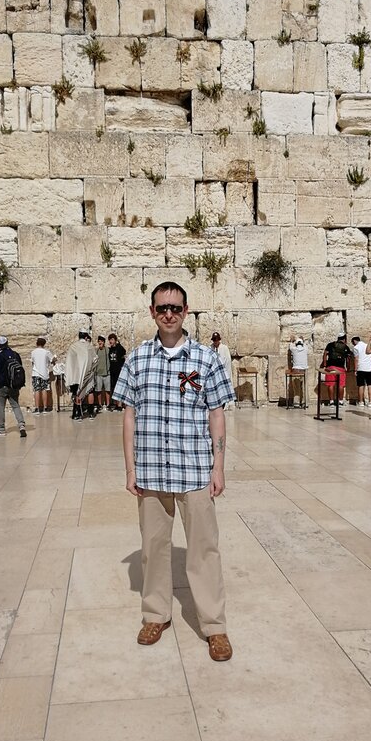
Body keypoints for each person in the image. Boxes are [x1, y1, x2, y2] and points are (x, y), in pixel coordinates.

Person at [112, 281, 235, 662]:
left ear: (186, 312)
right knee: (153, 548)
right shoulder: (137, 359)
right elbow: (129, 416)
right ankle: (155, 615)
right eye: (162, 308)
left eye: (175, 308)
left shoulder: (206, 359)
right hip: (151, 470)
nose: (169, 314)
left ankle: (214, 626)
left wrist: (218, 467)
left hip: (194, 470)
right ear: (152, 312)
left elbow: (217, 414)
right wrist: (130, 469)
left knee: (204, 550)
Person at [0, 336, 27, 438]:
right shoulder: (15, 354)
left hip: (2, 385)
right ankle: (21, 425)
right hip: (14, 385)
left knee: (1, 407)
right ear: (7, 343)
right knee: (15, 405)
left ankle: (1, 429)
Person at [65, 330, 97, 421]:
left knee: (78, 392)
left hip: (77, 374)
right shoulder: (89, 347)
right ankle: (91, 413)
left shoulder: (73, 346)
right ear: (86, 337)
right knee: (90, 391)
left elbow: (69, 361)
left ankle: (77, 414)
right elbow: (95, 359)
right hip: (88, 373)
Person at [322, 332, 352, 406]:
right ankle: (340, 401)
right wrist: (348, 368)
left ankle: (331, 401)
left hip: (331, 367)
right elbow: (348, 359)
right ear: (344, 339)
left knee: (330, 384)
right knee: (341, 385)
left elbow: (325, 354)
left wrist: (325, 365)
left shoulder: (330, 344)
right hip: (341, 368)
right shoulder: (346, 347)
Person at [30, 337, 55, 414]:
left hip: (36, 373)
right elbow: (52, 360)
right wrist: (55, 358)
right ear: (44, 344)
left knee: (37, 390)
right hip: (44, 374)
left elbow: (32, 362)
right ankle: (45, 408)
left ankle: (37, 408)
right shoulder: (46, 352)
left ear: (37, 343)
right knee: (44, 390)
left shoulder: (33, 352)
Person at [210, 331, 234, 409]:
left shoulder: (224, 348)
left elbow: (228, 361)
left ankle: (227, 403)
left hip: (223, 370)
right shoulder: (210, 348)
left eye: (217, 340)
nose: (215, 342)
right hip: (215, 371)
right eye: (214, 340)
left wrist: (226, 372)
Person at [351, 335, 371, 408]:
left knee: (361, 385)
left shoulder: (356, 348)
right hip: (369, 368)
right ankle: (370, 402)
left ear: (354, 341)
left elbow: (356, 359)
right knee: (370, 385)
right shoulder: (367, 346)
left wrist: (355, 369)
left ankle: (361, 402)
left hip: (361, 368)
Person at [287, 335, 308, 408]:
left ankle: (296, 403)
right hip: (304, 370)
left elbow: (290, 346)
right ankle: (305, 402)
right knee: (304, 387)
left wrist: (292, 340)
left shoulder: (294, 349)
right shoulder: (305, 349)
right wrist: (302, 339)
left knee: (296, 387)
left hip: (296, 370)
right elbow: (305, 344)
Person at [108, 333, 126, 411]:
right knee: (114, 388)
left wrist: (118, 344)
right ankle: (115, 403)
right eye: (109, 340)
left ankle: (120, 404)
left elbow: (124, 353)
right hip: (112, 371)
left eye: (112, 339)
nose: (110, 341)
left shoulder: (119, 348)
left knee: (120, 387)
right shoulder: (110, 349)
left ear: (115, 340)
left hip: (119, 371)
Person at [94, 335, 111, 412]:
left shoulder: (107, 350)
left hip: (107, 373)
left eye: (101, 341)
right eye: (99, 341)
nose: (100, 342)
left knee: (108, 390)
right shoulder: (96, 351)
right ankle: (99, 404)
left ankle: (108, 404)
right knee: (98, 390)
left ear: (104, 342)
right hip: (98, 373)